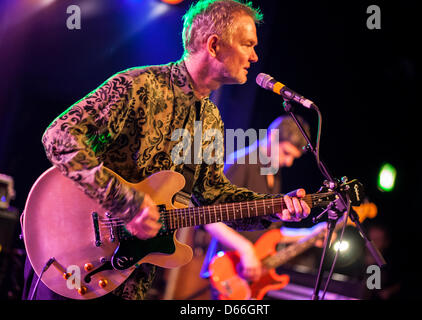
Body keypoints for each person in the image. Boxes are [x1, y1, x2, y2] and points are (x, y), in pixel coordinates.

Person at [22, 0, 310, 300]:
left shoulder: (210, 121)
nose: (254, 55)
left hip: (131, 279)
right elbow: (59, 136)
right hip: (74, 255)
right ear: (214, 45)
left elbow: (214, 196)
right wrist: (126, 202)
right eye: (248, 44)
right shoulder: (139, 86)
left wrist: (278, 208)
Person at [203, 115, 313, 294]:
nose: (289, 162)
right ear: (273, 137)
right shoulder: (242, 161)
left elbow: (272, 231)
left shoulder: (273, 173)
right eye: (286, 153)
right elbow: (209, 218)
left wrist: (309, 233)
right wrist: (246, 249)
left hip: (248, 276)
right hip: (227, 269)